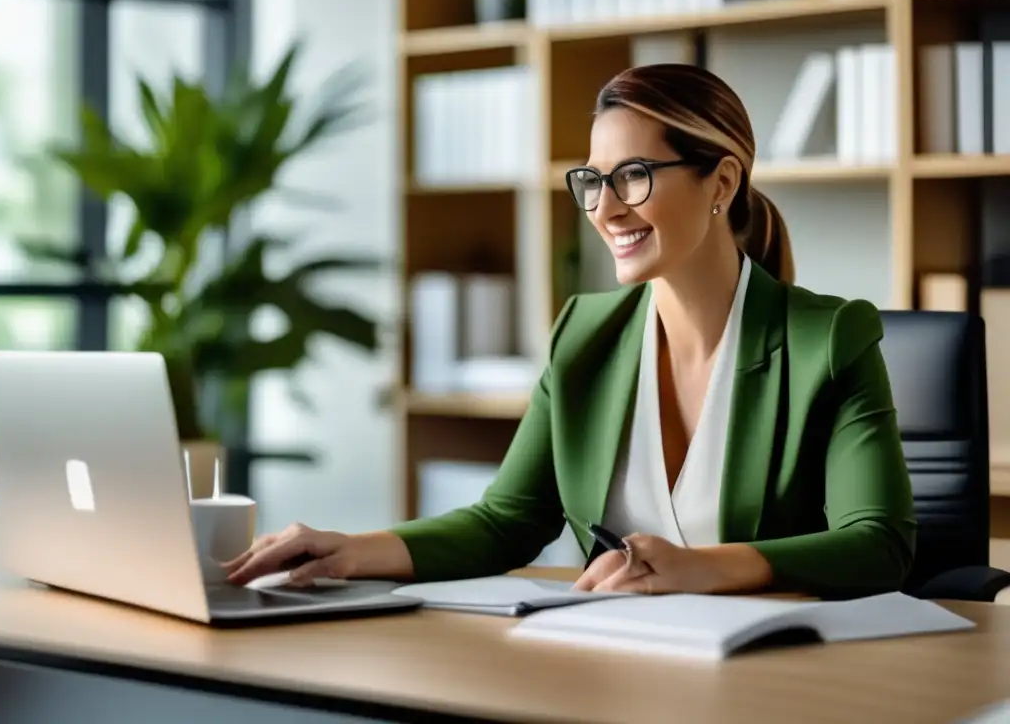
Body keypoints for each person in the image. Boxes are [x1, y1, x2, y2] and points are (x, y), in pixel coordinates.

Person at [224, 63, 916, 600]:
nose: (606, 209)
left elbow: (878, 543)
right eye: (593, 181)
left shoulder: (828, 338)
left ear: (723, 183)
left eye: (635, 177)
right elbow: (506, 522)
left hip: (775, 683)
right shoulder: (585, 335)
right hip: (616, 669)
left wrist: (699, 569)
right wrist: (352, 550)